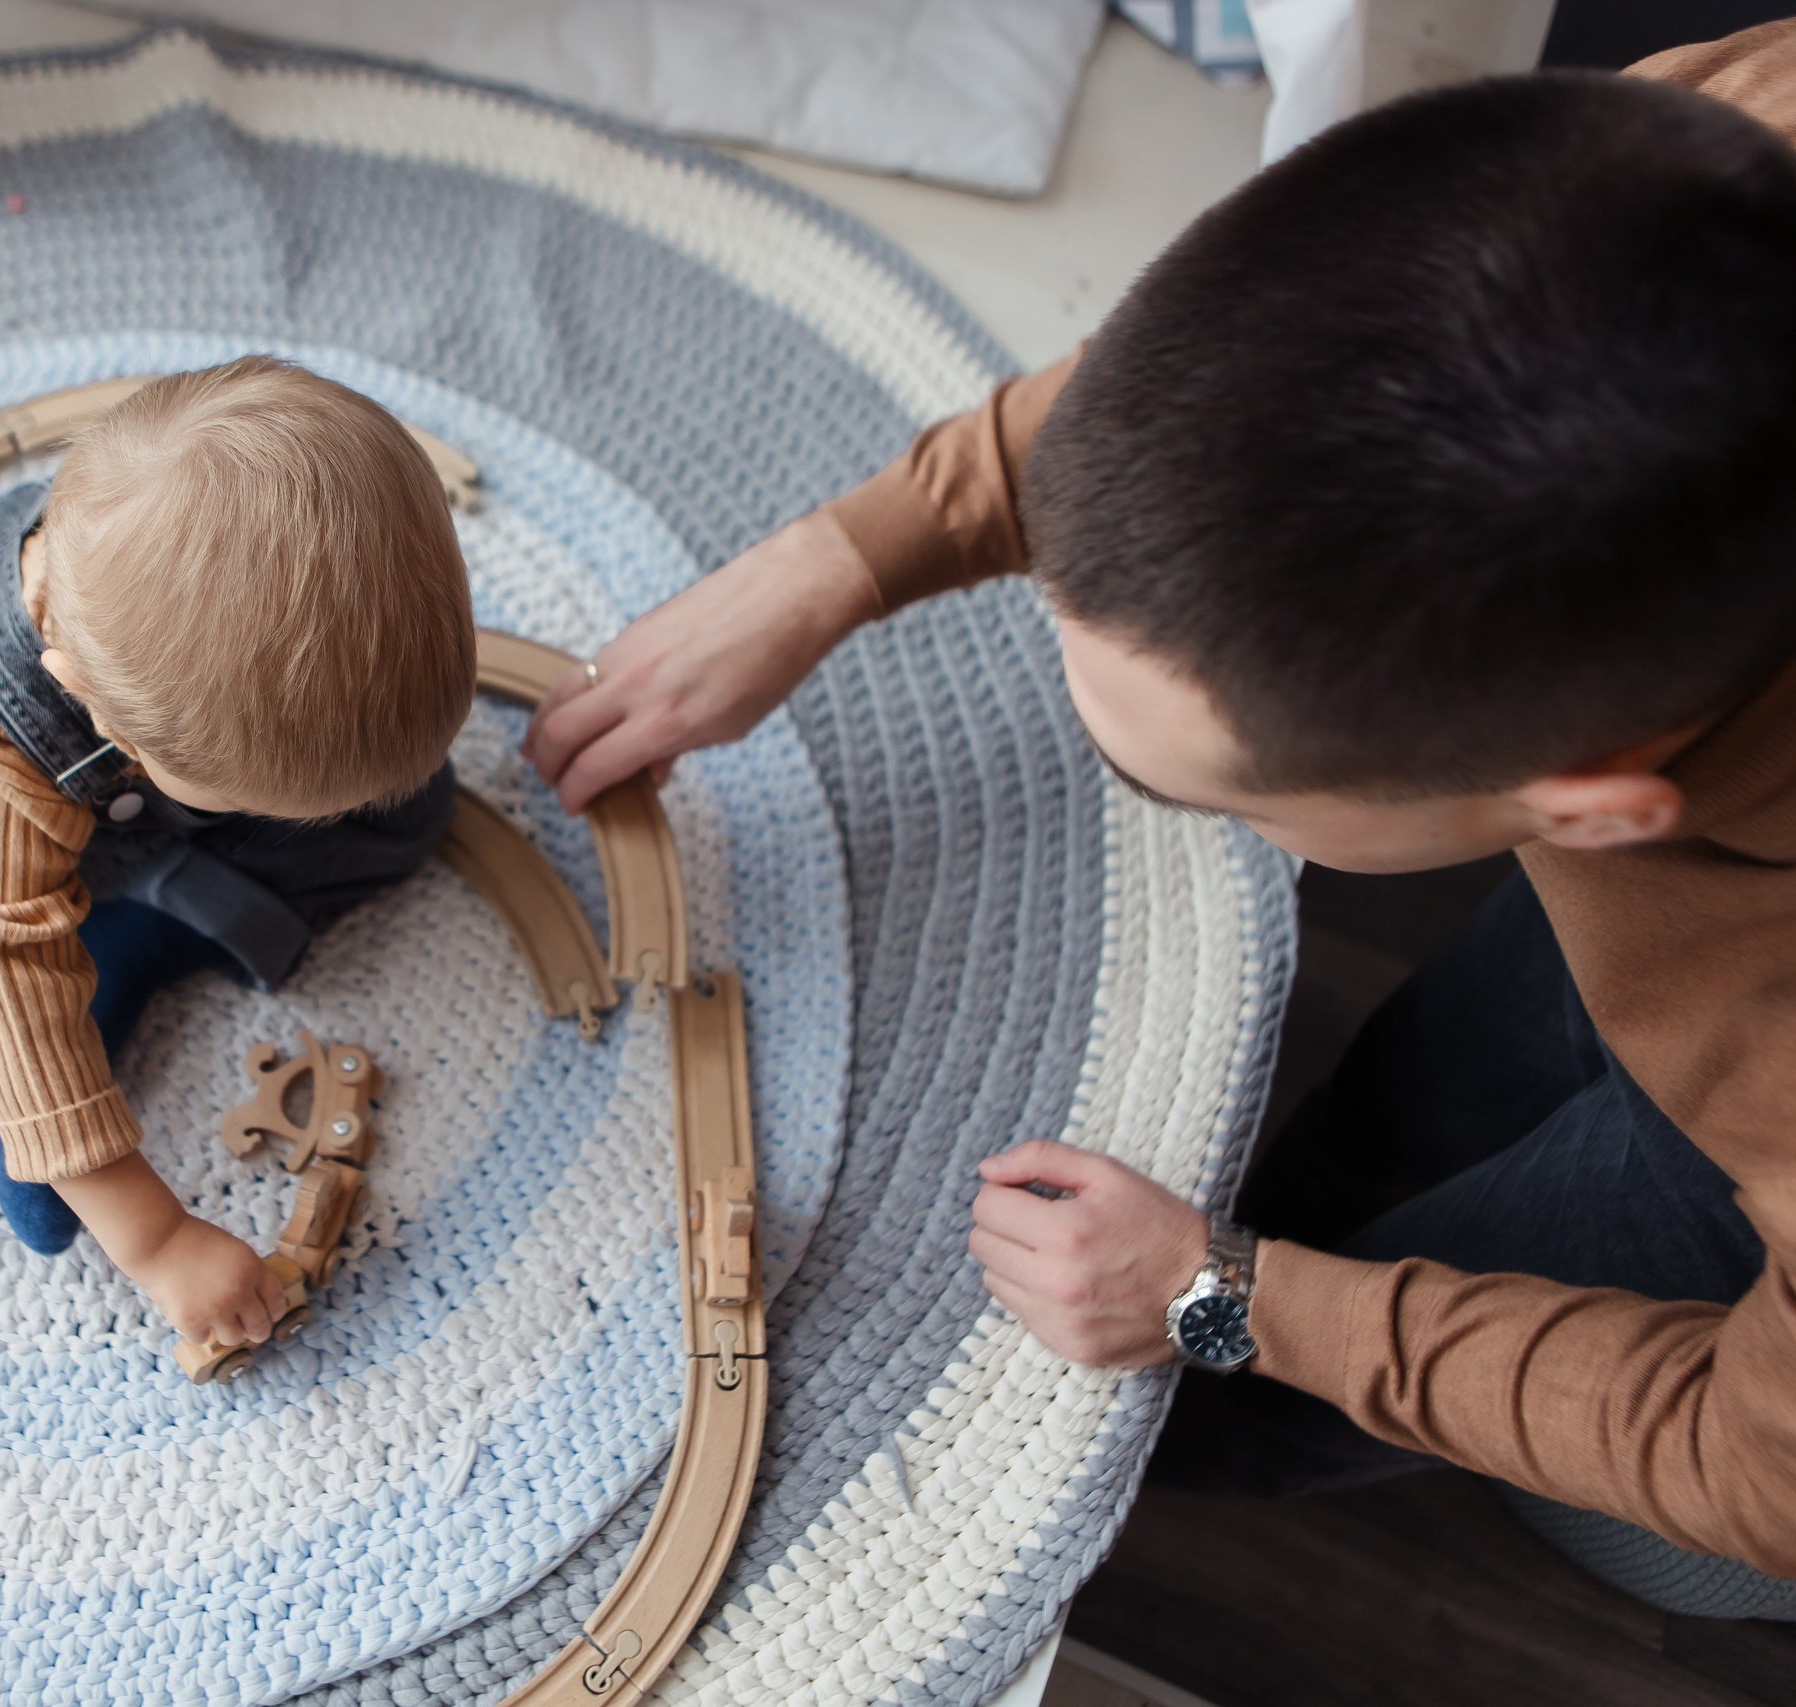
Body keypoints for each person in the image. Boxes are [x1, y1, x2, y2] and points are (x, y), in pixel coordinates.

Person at [523, 25, 1796, 1598]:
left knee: (1513, 1338)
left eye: (1197, 790)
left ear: (1596, 811)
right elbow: (1287, 366)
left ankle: (1214, 1431)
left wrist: (1233, 1303)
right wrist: (849, 555)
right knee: (1443, 1084)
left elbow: (1755, 1459)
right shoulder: (1711, 153)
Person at [0, 356, 474, 1356]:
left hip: (156, 759)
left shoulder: (185, 628)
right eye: (250, 795)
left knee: (405, 804)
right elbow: (5, 954)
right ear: (83, 686)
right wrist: (155, 1235)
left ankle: (145, 933)